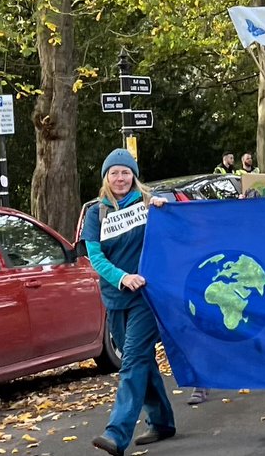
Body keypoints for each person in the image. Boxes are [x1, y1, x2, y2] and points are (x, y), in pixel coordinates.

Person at [82, 150, 176, 456]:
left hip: (146, 298)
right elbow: (95, 257)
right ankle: (162, 421)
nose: (120, 178)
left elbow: (176, 223)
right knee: (141, 361)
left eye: (125, 172)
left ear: (133, 176)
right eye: (114, 173)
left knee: (132, 360)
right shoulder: (95, 213)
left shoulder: (148, 203)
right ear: (106, 177)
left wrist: (164, 208)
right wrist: (122, 277)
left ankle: (116, 434)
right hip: (115, 298)